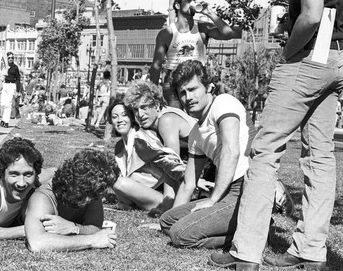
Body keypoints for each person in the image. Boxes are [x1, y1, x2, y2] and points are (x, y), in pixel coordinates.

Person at [209, 0, 343, 271]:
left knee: (265, 150)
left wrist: (288, 54)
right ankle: (310, 250)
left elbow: (312, 15)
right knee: (320, 154)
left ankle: (245, 251)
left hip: (310, 55)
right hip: (338, 56)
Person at [158, 59, 256, 251]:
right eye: (183, 93)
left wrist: (213, 200)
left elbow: (231, 150)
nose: (188, 97)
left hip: (246, 188)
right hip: (226, 191)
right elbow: (188, 183)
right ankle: (243, 224)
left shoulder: (223, 103)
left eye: (193, 89)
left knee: (180, 234)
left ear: (209, 87)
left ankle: (252, 229)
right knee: (167, 221)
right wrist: (175, 213)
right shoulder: (196, 132)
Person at [123, 79, 202, 211]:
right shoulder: (155, 124)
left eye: (144, 107)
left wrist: (167, 212)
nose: (140, 115)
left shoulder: (166, 120)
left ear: (157, 105)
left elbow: (172, 167)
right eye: (135, 110)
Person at [149, 0, 240, 108]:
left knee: (197, 118)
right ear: (178, 5)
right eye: (188, 0)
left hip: (197, 78)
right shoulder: (167, 33)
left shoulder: (202, 28)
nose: (192, 3)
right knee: (176, 117)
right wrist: (152, 94)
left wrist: (209, 12)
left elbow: (228, 34)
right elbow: (156, 66)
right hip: (173, 81)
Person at [25, 149, 119, 252]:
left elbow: (95, 227)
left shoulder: (91, 190)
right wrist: (91, 240)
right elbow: (37, 243)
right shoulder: (43, 197)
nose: (90, 200)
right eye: (88, 195)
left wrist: (74, 228)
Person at [108, 99, 185, 211]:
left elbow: (168, 159)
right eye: (115, 117)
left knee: (119, 183)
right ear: (110, 120)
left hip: (163, 195)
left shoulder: (141, 138)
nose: (120, 120)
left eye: (124, 115)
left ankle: (137, 205)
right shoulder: (120, 147)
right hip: (144, 192)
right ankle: (133, 205)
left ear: (131, 118)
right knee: (118, 181)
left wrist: (188, 176)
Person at [0, 52, 21, 127]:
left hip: (11, 85)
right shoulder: (3, 66)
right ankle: (2, 119)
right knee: (2, 103)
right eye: (9, 58)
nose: (10, 59)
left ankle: (6, 121)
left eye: (12, 57)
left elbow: (18, 79)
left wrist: (17, 90)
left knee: (8, 104)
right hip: (4, 85)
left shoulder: (15, 67)